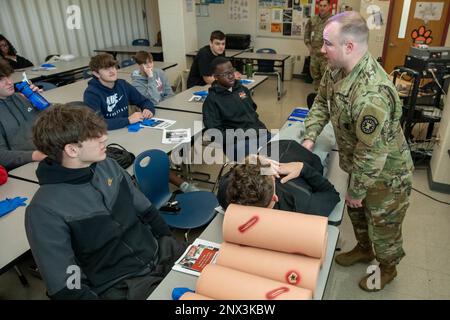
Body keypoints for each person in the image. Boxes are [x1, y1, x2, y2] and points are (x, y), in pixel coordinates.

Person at [301, 12, 414, 291]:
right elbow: (321, 103)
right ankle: (364, 248)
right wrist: (309, 136)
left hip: (387, 174)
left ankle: (388, 267)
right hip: (359, 164)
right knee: (358, 213)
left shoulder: (371, 94)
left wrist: (358, 190)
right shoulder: (336, 67)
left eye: (328, 43)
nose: (321, 49)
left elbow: (372, 154)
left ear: (348, 47)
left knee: (383, 223)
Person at [25, 103, 187, 300]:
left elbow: (145, 209)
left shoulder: (108, 165)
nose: (105, 138)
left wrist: (167, 238)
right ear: (72, 150)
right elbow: (66, 286)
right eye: (94, 136)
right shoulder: (43, 210)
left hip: (160, 253)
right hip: (121, 287)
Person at [218, 141, 340, 216]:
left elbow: (231, 177)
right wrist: (303, 168)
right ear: (274, 198)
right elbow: (332, 194)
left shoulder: (227, 196)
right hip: (298, 155)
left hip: (277, 148)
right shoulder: (304, 206)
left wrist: (249, 161)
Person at [202, 57, 269, 162]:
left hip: (259, 133)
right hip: (237, 142)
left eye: (232, 71)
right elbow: (215, 133)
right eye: (225, 74)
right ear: (215, 77)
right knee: (262, 166)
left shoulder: (243, 89)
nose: (231, 76)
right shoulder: (212, 100)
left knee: (284, 152)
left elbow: (252, 110)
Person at [83, 53, 155, 130]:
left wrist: (148, 109)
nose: (112, 71)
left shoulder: (122, 84)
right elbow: (96, 123)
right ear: (96, 74)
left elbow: (144, 101)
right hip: (107, 134)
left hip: (124, 129)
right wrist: (128, 120)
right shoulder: (91, 94)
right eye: (106, 69)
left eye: (113, 67)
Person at [0, 59, 46, 170]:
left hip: (45, 153)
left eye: (8, 77)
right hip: (22, 166)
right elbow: (1, 156)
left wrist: (39, 101)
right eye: (1, 80)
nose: (10, 82)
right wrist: (35, 155)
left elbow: (52, 124)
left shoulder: (21, 97)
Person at [304, 0, 332, 91]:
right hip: (314, 55)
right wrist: (309, 46)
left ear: (329, 7)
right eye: (320, 5)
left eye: (324, 6)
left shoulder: (333, 20)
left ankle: (326, 100)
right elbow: (306, 34)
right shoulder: (312, 20)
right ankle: (318, 99)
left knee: (327, 79)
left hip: (326, 57)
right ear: (318, 7)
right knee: (316, 79)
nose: (322, 8)